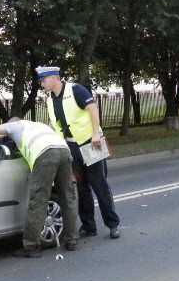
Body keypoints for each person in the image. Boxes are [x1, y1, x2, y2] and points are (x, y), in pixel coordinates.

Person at [37, 66, 121, 239]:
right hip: (71, 147)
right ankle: (89, 226)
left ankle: (113, 224)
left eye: (43, 80)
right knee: (81, 187)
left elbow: (93, 109)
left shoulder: (76, 90)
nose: (42, 84)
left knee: (99, 185)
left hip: (91, 142)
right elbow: (57, 124)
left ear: (53, 78)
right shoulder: (50, 99)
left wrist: (96, 134)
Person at [0, 117, 80, 257]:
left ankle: (31, 246)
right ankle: (71, 240)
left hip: (46, 155)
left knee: (38, 200)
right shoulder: (38, 125)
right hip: (64, 151)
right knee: (68, 197)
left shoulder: (16, 126)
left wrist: (0, 134)